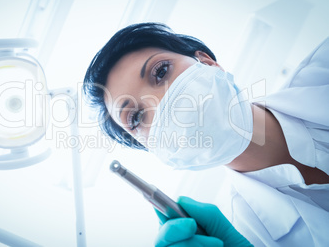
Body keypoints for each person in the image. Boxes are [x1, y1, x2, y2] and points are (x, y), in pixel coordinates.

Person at [83, 23, 329, 246]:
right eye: (136, 117)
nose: (161, 104)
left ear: (207, 62)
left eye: (161, 72)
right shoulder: (248, 236)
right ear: (151, 147)